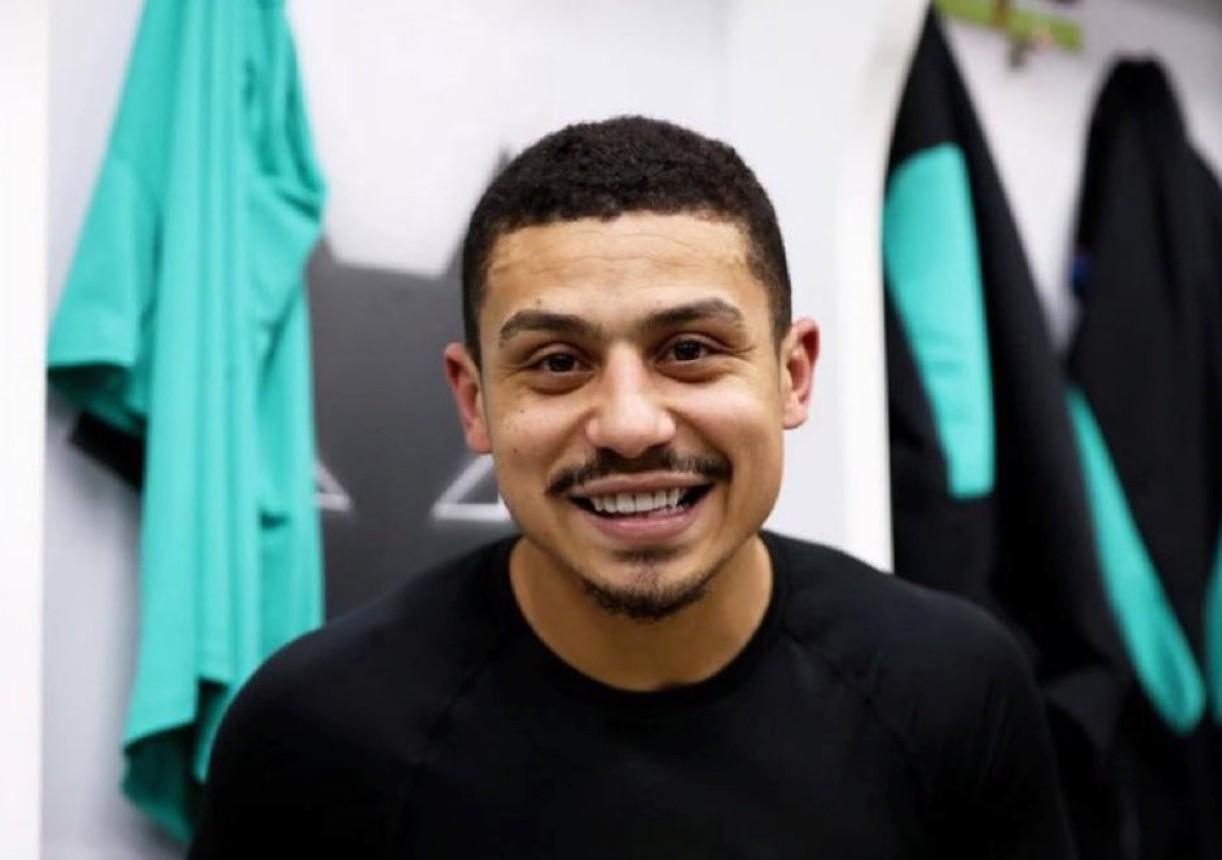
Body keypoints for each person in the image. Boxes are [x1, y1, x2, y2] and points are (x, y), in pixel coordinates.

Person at [190, 116, 1075, 858]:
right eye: (557, 362)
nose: (628, 423)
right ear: (475, 401)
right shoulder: (313, 734)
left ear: (793, 374)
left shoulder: (953, 690)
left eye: (689, 350)